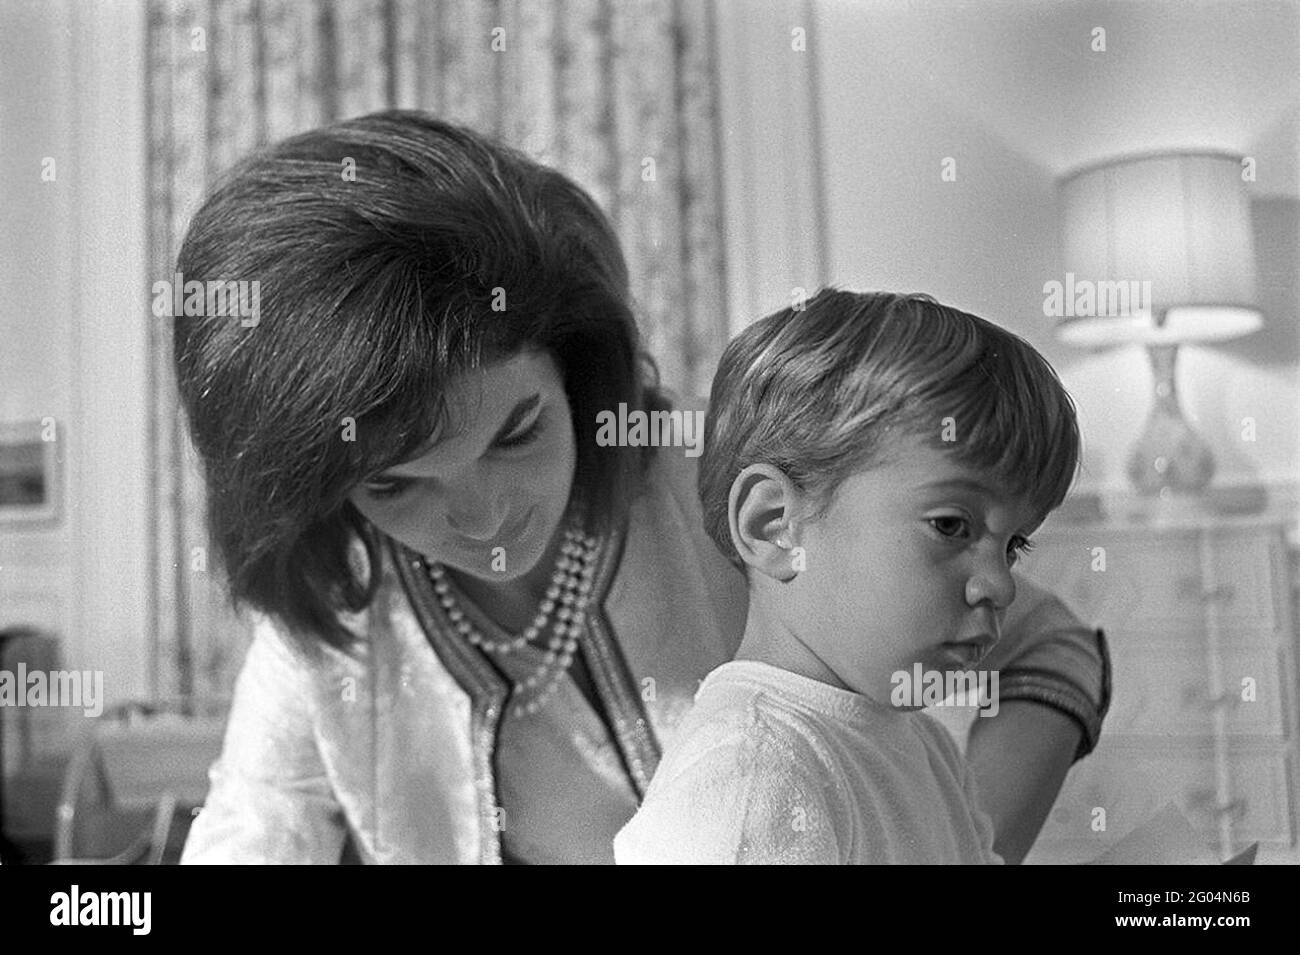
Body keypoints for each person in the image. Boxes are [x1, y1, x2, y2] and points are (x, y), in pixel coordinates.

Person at [175, 110, 1109, 864]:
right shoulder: (339, 602)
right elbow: (257, 828)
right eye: (393, 485)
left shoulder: (725, 489)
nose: (485, 514)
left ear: (575, 368)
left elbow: (1047, 647)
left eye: (519, 432)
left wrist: (953, 837)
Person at [614, 290, 1079, 864]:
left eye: (1013, 546)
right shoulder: (750, 773)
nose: (1001, 586)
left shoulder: (922, 746)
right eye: (952, 525)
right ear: (774, 525)